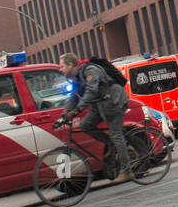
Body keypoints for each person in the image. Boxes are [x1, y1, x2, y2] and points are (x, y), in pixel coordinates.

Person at [57, 53, 133, 184]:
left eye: (62, 66)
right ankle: (110, 143)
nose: (60, 69)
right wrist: (64, 115)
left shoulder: (90, 70)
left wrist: (77, 110)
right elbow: (74, 97)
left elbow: (91, 91)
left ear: (70, 65)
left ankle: (127, 171)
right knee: (85, 125)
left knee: (116, 134)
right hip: (100, 105)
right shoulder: (77, 77)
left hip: (113, 101)